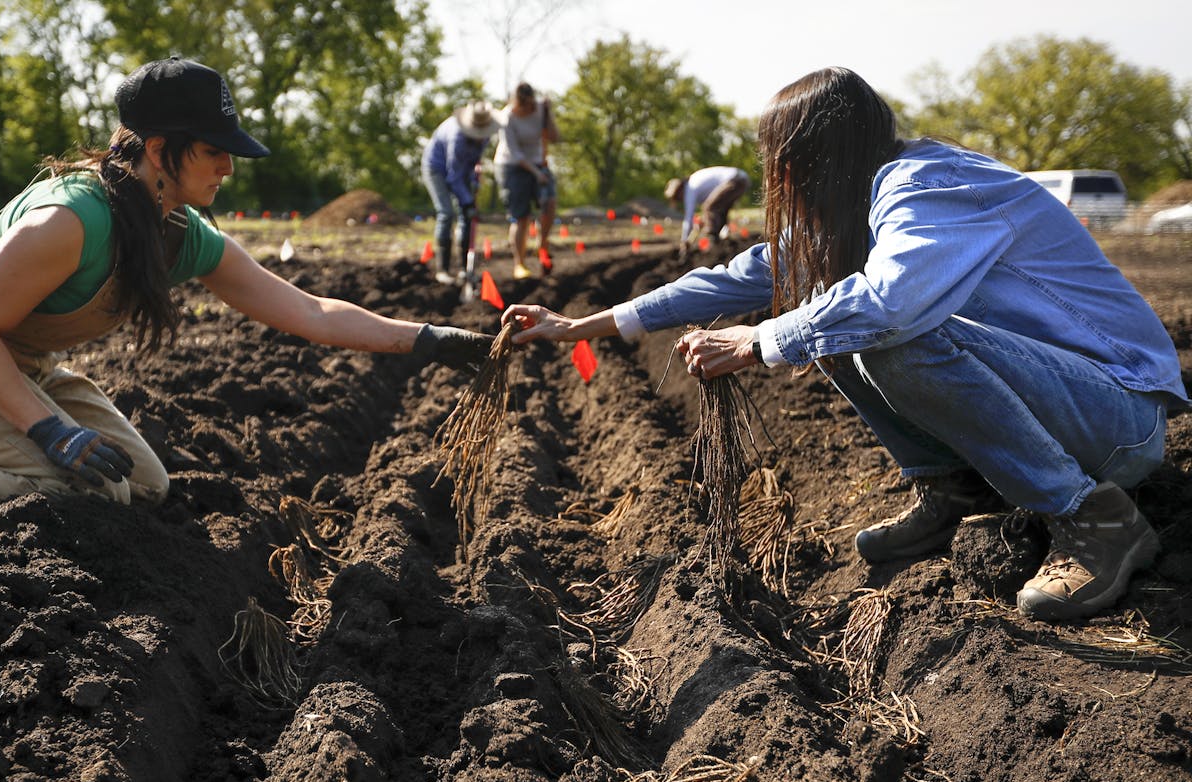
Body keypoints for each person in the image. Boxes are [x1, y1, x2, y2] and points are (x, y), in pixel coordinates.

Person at [501, 66, 1186, 623]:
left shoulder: (930, 187)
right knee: (827, 319)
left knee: (873, 328)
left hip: (1120, 418)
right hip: (1069, 409)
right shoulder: (855, 206)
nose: (779, 179)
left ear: (816, 156)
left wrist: (758, 341)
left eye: (782, 162)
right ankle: (953, 489)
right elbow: (737, 275)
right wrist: (579, 326)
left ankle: (1092, 517)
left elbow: (890, 305)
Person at [0, 57, 491, 516]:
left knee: (144, 483)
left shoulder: (176, 230)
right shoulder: (70, 219)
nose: (228, 167)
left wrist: (433, 339)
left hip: (17, 365)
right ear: (160, 149)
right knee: (78, 487)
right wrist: (49, 430)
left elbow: (308, 310)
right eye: (215, 150)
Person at [421, 100, 502, 284]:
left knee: (466, 217)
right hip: (436, 169)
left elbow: (473, 162)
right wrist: (467, 201)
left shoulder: (485, 133)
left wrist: (473, 183)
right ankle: (442, 270)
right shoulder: (456, 137)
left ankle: (465, 269)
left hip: (461, 171)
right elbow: (453, 176)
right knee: (446, 213)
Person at [493, 82, 560, 280]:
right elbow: (515, 154)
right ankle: (519, 264)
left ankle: (543, 244)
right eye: (524, 107)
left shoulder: (541, 109)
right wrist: (536, 173)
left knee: (550, 203)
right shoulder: (506, 118)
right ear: (515, 104)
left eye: (532, 105)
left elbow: (554, 137)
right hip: (511, 166)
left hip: (538, 162)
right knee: (521, 216)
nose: (529, 110)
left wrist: (549, 114)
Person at [665, 166, 750, 258]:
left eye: (677, 197)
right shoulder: (695, 184)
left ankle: (713, 243)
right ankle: (723, 245)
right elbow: (709, 212)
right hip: (742, 179)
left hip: (734, 180)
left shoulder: (690, 188)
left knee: (709, 208)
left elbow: (689, 217)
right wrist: (702, 221)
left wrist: (684, 240)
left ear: (679, 190)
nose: (680, 200)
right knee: (720, 211)